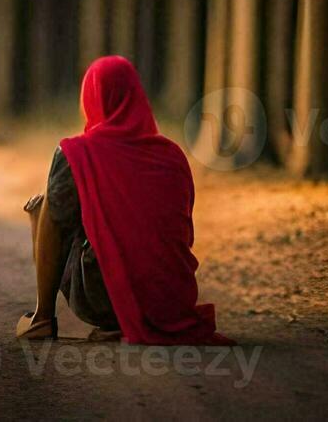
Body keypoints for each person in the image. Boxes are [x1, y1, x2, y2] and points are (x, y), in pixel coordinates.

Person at [17, 56, 232, 346]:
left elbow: (62, 221)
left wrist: (39, 219)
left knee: (47, 209)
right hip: (171, 299)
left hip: (103, 299)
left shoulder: (76, 153)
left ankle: (42, 317)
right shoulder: (173, 156)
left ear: (91, 99)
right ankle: (128, 315)